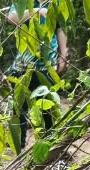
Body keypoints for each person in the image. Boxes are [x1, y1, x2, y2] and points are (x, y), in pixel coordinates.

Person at [5, 0, 67, 149]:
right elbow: (11, 18)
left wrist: (63, 54)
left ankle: (49, 148)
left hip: (47, 66)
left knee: (48, 109)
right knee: (19, 110)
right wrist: (37, 12)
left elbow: (60, 29)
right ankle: (18, 150)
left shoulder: (56, 3)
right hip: (23, 67)